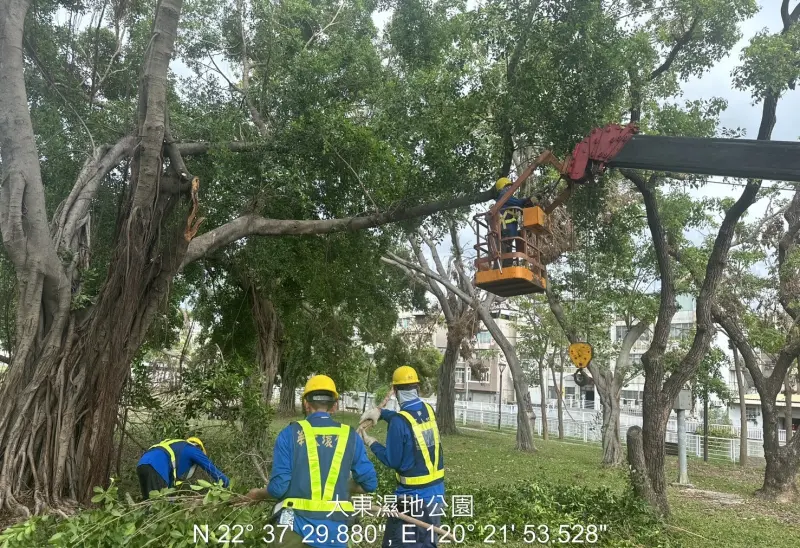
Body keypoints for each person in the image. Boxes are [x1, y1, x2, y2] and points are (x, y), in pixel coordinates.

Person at [248, 375, 377, 548]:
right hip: (333, 533)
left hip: (293, 529)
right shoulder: (350, 436)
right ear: (335, 406)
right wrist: (342, 485)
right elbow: (370, 484)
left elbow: (278, 488)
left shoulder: (289, 434)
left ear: (306, 404)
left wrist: (257, 494)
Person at [360, 366, 445, 548]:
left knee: (395, 543)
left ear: (396, 392)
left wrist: (371, 443)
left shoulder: (400, 422)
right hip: (435, 495)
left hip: (411, 499)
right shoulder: (428, 410)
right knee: (427, 542)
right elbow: (409, 420)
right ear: (417, 388)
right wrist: (382, 414)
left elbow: (392, 460)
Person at [136, 436, 229, 499]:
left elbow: (170, 481)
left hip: (142, 464)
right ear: (199, 447)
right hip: (156, 467)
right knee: (158, 506)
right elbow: (211, 468)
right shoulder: (193, 450)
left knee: (148, 502)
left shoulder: (177, 447)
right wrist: (227, 484)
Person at [494, 177, 532, 267]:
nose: (511, 188)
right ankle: (498, 271)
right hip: (504, 231)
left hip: (509, 231)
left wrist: (528, 202)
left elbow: (519, 205)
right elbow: (518, 203)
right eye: (509, 186)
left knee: (507, 255)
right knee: (502, 255)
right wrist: (528, 199)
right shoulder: (504, 197)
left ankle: (505, 270)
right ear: (504, 187)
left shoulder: (508, 198)